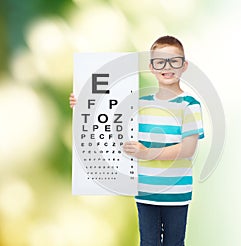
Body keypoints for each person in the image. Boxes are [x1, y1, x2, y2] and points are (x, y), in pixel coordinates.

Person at [70, 35, 204, 246]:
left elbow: (188, 149)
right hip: (145, 191)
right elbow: (108, 110)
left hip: (177, 193)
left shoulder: (189, 105)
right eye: (160, 62)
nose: (167, 67)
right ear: (151, 67)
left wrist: (147, 153)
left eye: (174, 61)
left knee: (174, 243)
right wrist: (82, 102)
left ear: (184, 66)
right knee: (148, 243)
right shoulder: (138, 103)